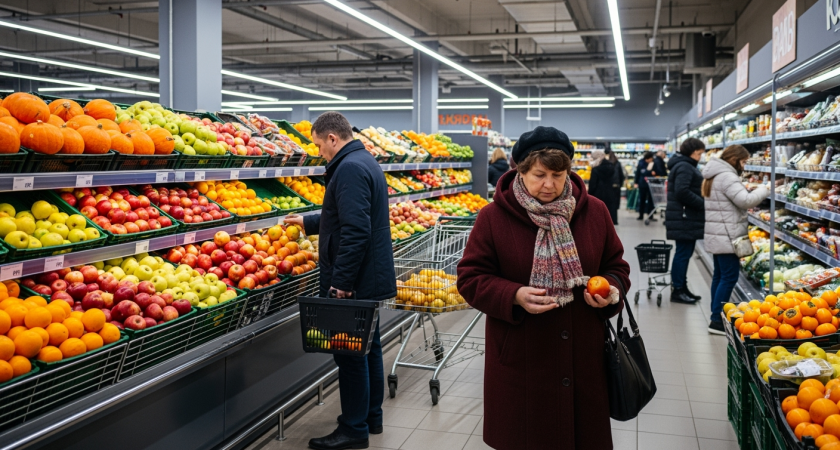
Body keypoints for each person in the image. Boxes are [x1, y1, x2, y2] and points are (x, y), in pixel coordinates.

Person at [457, 126, 631, 450]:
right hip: (521, 358)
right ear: (519, 170)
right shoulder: (493, 217)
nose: (549, 185)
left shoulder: (594, 212)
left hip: (583, 357)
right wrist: (513, 295)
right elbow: (470, 277)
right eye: (539, 174)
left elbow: (617, 266)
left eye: (558, 174)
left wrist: (611, 291)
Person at [284, 112, 396, 450]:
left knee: (349, 356)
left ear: (333, 138)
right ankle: (370, 417)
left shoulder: (347, 168)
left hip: (356, 280)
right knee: (369, 347)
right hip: (371, 277)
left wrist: (342, 282)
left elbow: (356, 230)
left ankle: (353, 429)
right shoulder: (363, 160)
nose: (319, 153)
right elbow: (345, 215)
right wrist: (309, 221)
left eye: (319, 146)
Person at [702, 145, 769, 335]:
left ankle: (715, 315)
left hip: (719, 233)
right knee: (729, 276)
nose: (744, 166)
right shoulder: (727, 176)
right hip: (728, 236)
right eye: (744, 161)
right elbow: (746, 201)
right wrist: (765, 189)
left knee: (720, 275)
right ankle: (716, 320)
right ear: (735, 159)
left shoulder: (714, 174)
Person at [664, 138, 706, 305]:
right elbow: (682, 191)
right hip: (684, 217)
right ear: (693, 152)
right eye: (699, 153)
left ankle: (682, 287)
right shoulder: (684, 166)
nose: (700, 156)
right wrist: (703, 203)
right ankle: (678, 290)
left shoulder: (683, 165)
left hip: (685, 217)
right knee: (682, 254)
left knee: (684, 254)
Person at [588, 149, 622, 225]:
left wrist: (590, 193)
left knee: (599, 210)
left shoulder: (595, 168)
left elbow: (593, 183)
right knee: (610, 208)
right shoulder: (611, 165)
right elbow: (618, 177)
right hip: (610, 191)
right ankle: (612, 222)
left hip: (598, 193)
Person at [634, 151, 655, 220]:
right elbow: (639, 173)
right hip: (642, 184)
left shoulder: (653, 163)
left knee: (651, 200)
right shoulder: (641, 163)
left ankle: (650, 215)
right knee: (642, 200)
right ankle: (641, 215)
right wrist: (636, 182)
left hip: (651, 184)